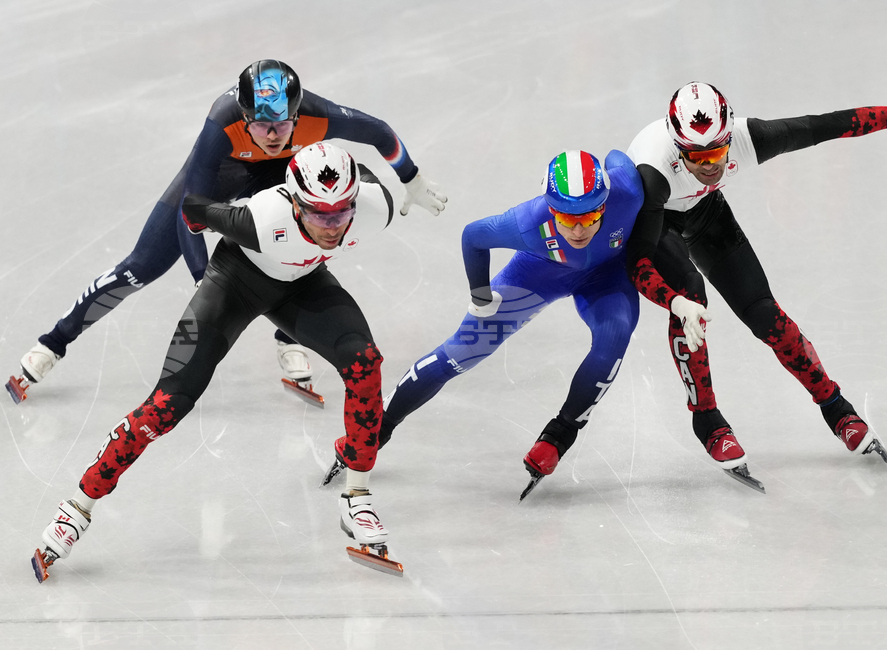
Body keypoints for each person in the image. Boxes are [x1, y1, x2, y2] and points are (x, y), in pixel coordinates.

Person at [31, 141, 406, 583]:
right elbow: (191, 210)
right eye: (319, 215)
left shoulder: (374, 204)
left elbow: (371, 164)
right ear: (293, 201)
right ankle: (76, 508)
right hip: (233, 283)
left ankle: (356, 497)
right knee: (166, 405)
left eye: (341, 214)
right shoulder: (262, 220)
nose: (332, 227)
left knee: (365, 363)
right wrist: (198, 273)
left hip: (303, 284)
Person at [8, 59, 446, 404]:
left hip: (279, 177)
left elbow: (380, 133)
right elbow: (190, 211)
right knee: (140, 268)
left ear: (297, 114)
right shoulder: (222, 121)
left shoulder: (318, 116)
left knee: (306, 238)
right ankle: (53, 343)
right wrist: (206, 281)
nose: (272, 134)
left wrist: (412, 179)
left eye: (281, 124)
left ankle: (286, 335)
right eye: (259, 124)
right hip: (223, 174)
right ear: (243, 115)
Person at [626, 81, 887, 490]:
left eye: (717, 152)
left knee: (766, 315)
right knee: (691, 295)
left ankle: (838, 410)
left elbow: (826, 126)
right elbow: (637, 261)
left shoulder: (748, 139)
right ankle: (709, 422)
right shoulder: (653, 174)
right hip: (657, 220)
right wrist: (675, 302)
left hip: (705, 213)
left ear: (729, 135)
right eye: (696, 157)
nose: (710, 165)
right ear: (678, 150)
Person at [323, 149, 711, 499]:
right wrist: (479, 297)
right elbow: (473, 237)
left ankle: (559, 436)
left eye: (591, 217)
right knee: (463, 350)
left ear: (606, 203)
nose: (578, 230)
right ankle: (377, 429)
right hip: (539, 274)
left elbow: (619, 159)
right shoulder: (527, 221)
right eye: (566, 219)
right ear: (549, 208)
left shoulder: (626, 191)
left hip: (608, 276)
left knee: (615, 335)